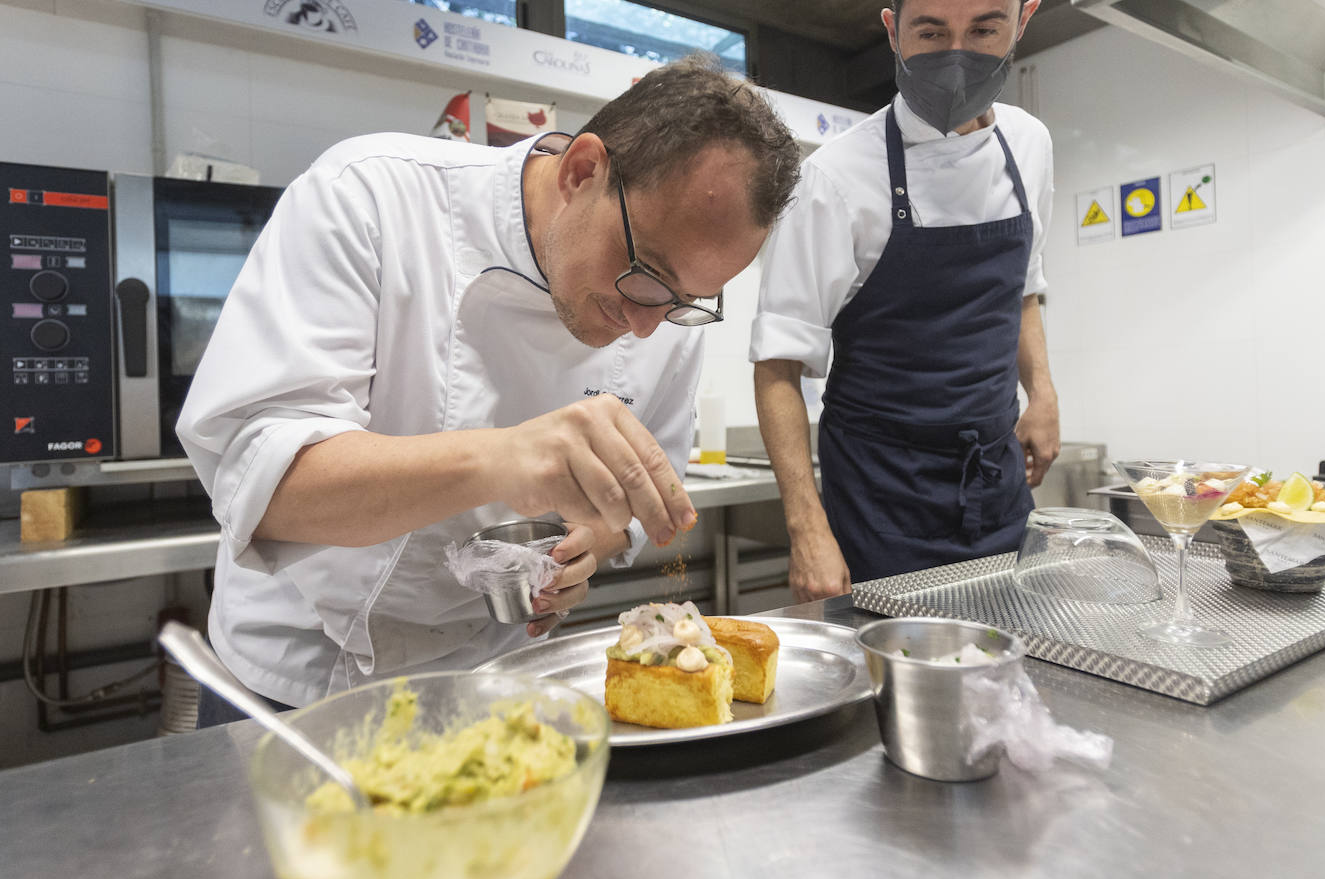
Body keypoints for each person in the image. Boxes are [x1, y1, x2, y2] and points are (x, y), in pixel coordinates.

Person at [178, 56, 801, 722]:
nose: (649, 324)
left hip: (498, 679)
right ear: (581, 171)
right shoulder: (370, 196)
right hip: (298, 685)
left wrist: (594, 541)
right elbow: (263, 489)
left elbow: (642, 498)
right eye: (646, 272)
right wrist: (505, 458)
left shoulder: (666, 309)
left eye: (688, 301)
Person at [751, 0, 1059, 601]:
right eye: (932, 31)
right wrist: (807, 527)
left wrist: (1042, 390)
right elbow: (778, 367)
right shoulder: (836, 178)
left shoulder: (1030, 143)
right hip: (880, 496)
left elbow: (1022, 285)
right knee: (893, 686)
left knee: (1011, 672)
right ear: (893, 31)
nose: (957, 57)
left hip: (996, 482)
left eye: (985, 29)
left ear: (1022, 23)